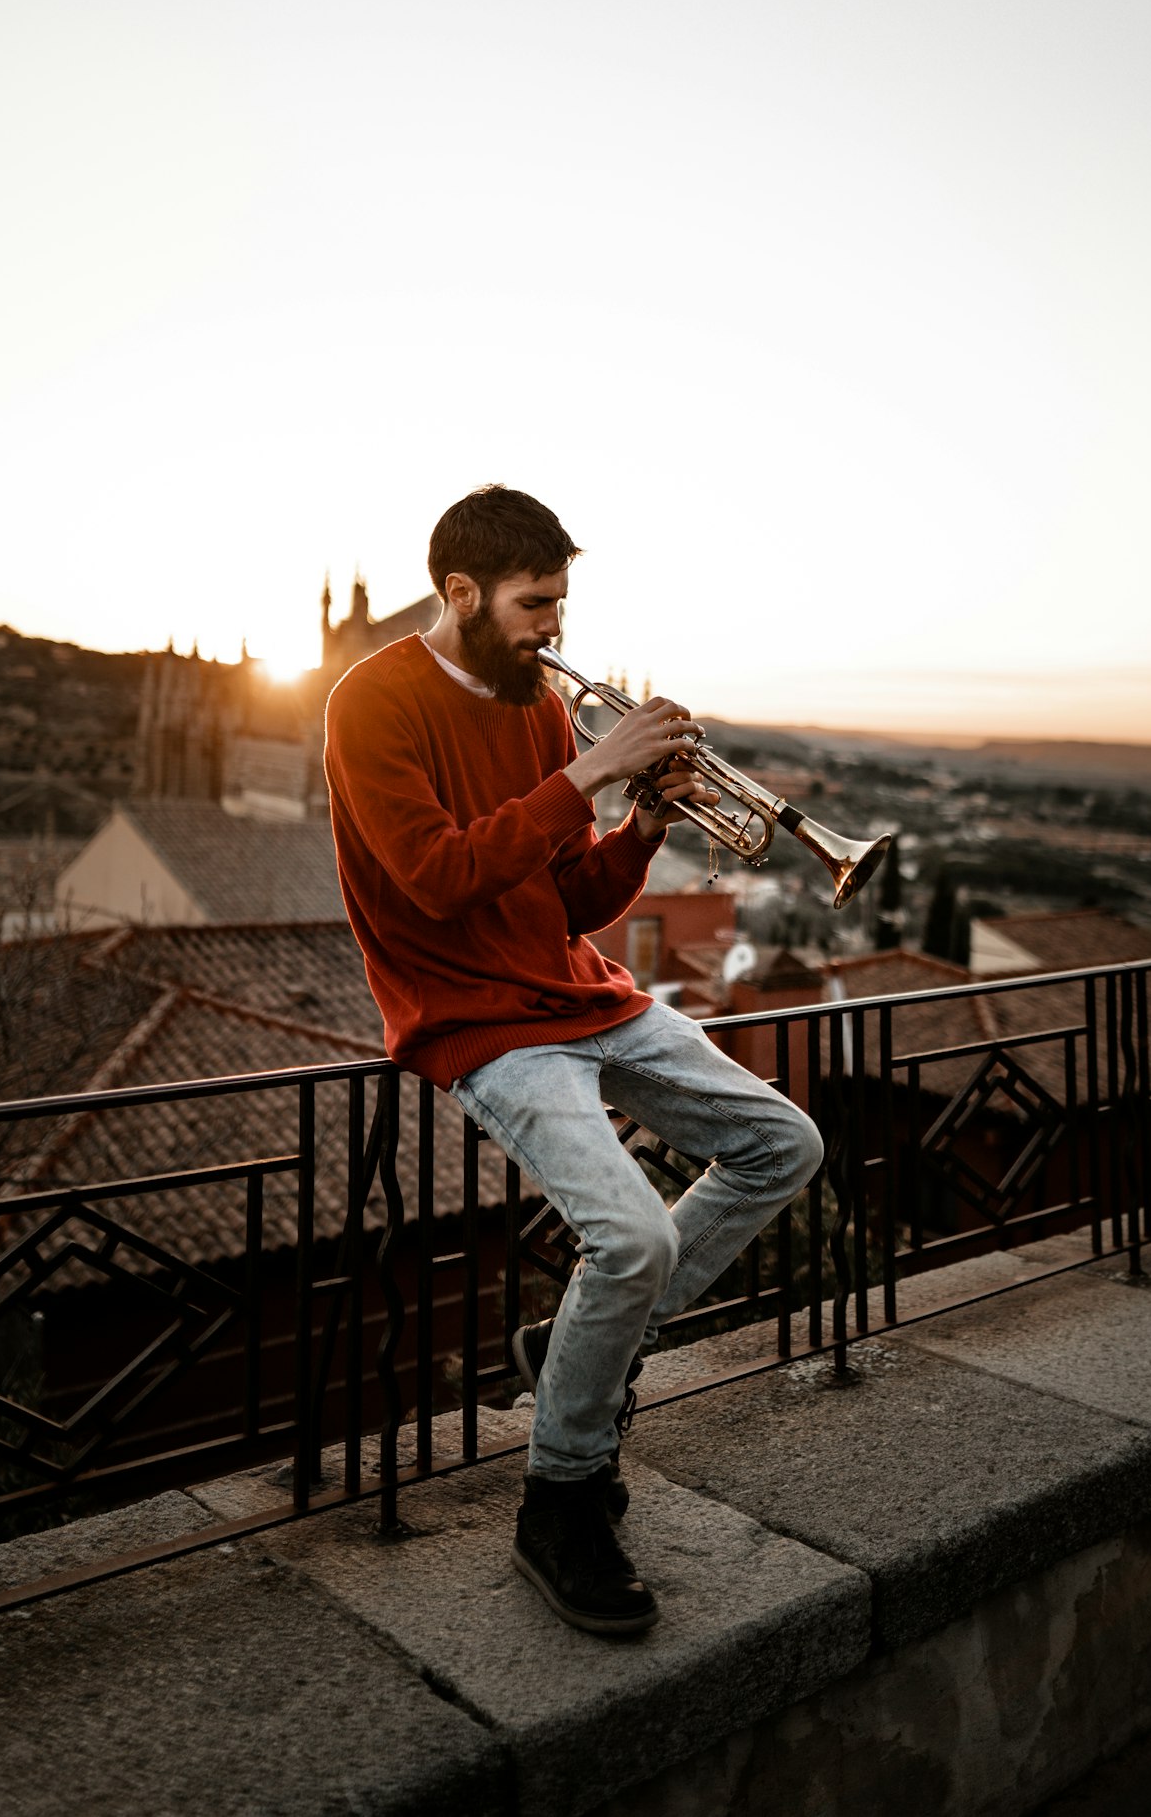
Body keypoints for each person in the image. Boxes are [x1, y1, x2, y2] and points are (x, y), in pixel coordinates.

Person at [323, 485, 824, 1636]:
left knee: (780, 1142)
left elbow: (570, 902)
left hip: (576, 991)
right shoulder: (371, 700)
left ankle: (576, 1348)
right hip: (472, 1017)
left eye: (560, 600)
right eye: (534, 603)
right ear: (460, 593)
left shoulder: (540, 704)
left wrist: (643, 823)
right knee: (634, 1234)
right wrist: (590, 776)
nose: (555, 626)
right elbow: (440, 878)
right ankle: (560, 1493)